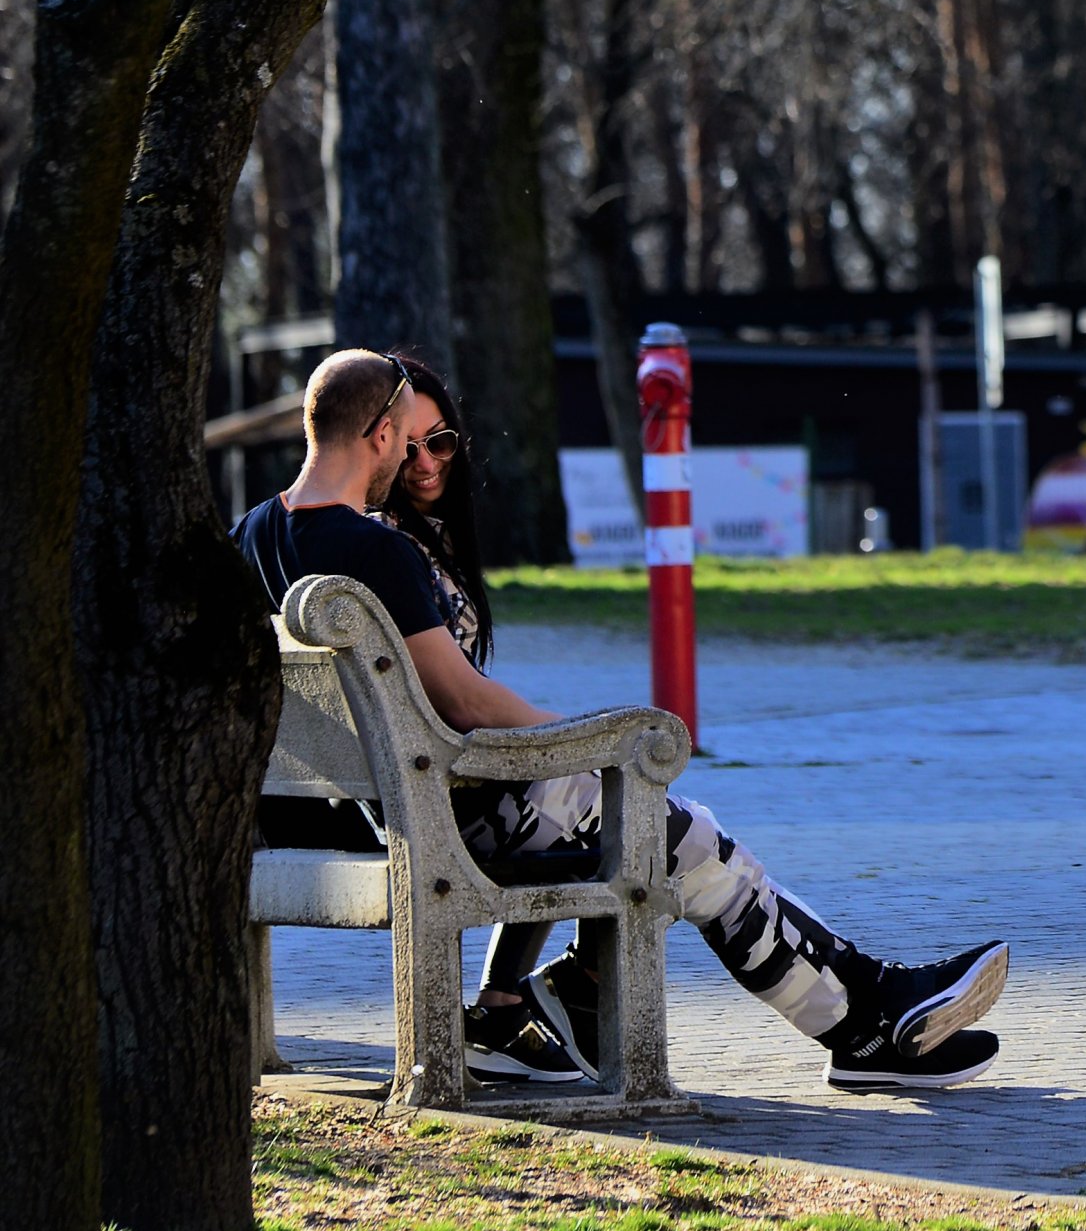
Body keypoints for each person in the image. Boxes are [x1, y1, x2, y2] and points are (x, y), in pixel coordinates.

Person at [238, 349, 1009, 1089]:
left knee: (676, 835)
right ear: (379, 436)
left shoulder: (249, 538)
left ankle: (851, 1006)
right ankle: (863, 1026)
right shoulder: (372, 548)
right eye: (406, 443)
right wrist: (583, 737)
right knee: (692, 844)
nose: (413, 461)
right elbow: (466, 703)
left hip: (365, 816)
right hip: (452, 812)